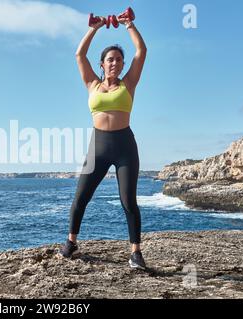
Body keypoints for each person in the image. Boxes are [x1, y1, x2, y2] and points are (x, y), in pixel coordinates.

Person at [60, 14, 147, 269]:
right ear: (102, 63)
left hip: (125, 147)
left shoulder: (128, 83)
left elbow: (141, 51)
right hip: (98, 146)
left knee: (128, 201)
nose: (115, 63)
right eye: (110, 59)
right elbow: (79, 55)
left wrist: (129, 25)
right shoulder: (92, 84)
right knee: (81, 197)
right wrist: (95, 29)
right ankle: (71, 242)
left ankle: (136, 252)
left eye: (119, 60)